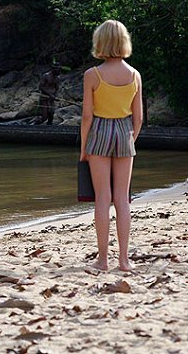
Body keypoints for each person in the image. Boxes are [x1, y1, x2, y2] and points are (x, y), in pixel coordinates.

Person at [80, 20, 143, 272]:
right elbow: (138, 118)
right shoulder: (135, 75)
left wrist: (84, 147)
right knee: (122, 199)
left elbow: (87, 116)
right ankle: (124, 260)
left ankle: (103, 260)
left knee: (102, 198)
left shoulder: (92, 75)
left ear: (101, 42)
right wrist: (130, 138)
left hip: (100, 132)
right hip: (125, 132)